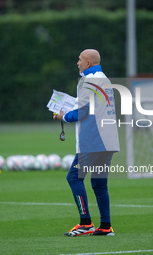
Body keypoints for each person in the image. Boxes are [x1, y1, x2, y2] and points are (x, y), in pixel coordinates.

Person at [53, 49, 120, 236]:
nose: (77, 62)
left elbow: (81, 112)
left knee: (74, 178)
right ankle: (106, 226)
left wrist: (63, 116)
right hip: (108, 141)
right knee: (99, 184)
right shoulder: (102, 78)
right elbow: (89, 105)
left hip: (93, 141)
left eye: (80, 60)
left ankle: (85, 223)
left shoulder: (89, 80)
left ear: (88, 63)